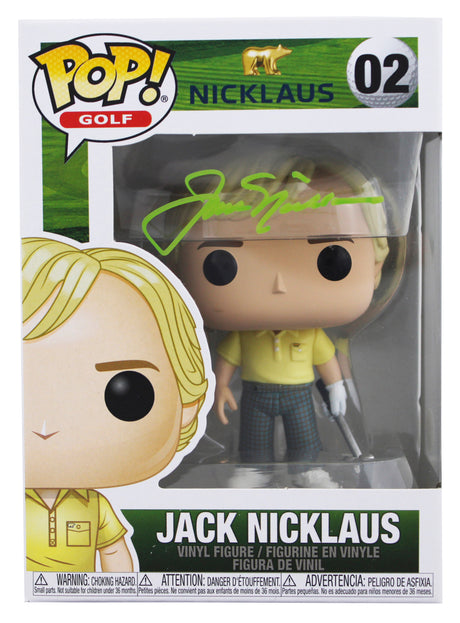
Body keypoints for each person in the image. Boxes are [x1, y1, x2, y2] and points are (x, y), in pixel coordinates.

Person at [177, 159, 388, 486]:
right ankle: (254, 470)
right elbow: (225, 361)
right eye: (222, 264)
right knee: (254, 440)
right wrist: (220, 388)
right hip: (256, 394)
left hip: (300, 394)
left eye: (331, 260)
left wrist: (336, 388)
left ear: (376, 265)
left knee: (304, 437)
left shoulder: (312, 334)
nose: (279, 284)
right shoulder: (245, 336)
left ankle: (306, 469)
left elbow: (326, 360)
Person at [23, 237, 208, 571]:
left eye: (124, 394)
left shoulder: (95, 506)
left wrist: (120, 591)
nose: (46, 427)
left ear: (187, 404)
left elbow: (113, 553)